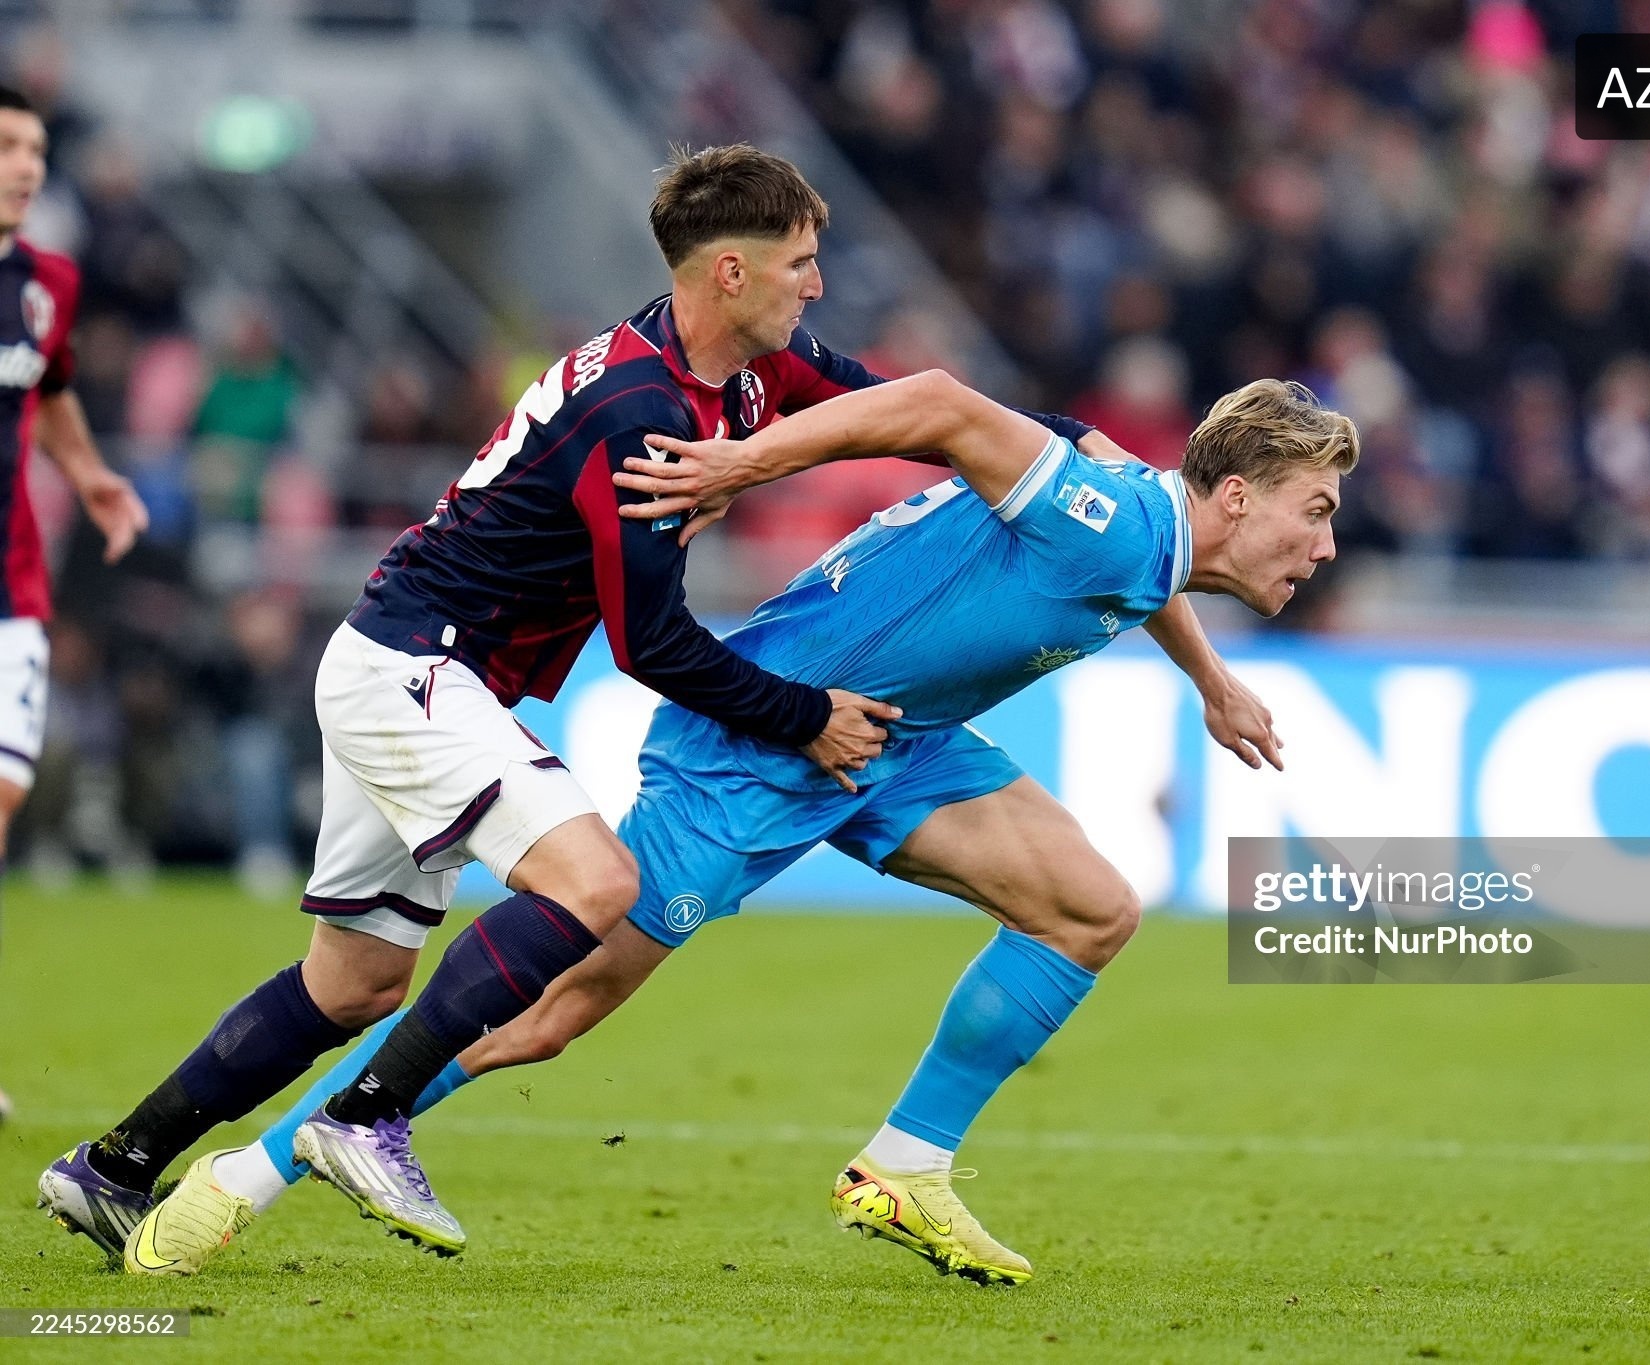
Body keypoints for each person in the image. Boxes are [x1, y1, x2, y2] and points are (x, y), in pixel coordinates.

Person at [39, 143, 1047, 1263]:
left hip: (403, 661)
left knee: (354, 985)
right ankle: (364, 1116)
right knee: (596, 881)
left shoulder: (743, 369)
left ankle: (114, 1167)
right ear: (729, 272)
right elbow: (653, 645)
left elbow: (902, 411)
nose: (817, 284)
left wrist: (1059, 459)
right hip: (420, 670)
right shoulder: (636, 411)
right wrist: (806, 718)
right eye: (801, 262)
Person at [149, 373, 1354, 1284]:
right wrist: (743, 461)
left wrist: (1210, 682)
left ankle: (903, 1168)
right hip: (760, 742)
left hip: (895, 741)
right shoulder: (1109, 518)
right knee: (548, 1015)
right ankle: (249, 1174)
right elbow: (939, 405)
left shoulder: (1145, 527)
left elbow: (1149, 572)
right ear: (1234, 497)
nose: (1325, 543)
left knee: (1088, 910)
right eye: (1311, 511)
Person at [0, 84, 150, 1125]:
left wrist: (90, 475)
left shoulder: (47, 283)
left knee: (5, 798)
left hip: (12, 588)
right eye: (7, 145)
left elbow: (48, 389)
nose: (25, 166)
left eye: (36, 150)